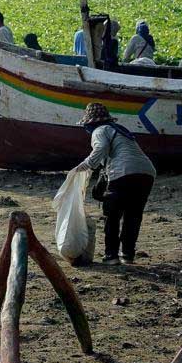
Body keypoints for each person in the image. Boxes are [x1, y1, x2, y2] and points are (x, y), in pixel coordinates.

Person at [73, 102, 156, 264]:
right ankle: (127, 255)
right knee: (133, 215)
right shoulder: (120, 130)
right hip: (147, 173)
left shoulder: (100, 130)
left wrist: (84, 166)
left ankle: (111, 256)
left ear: (90, 123)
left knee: (112, 215)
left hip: (123, 173)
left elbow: (100, 148)